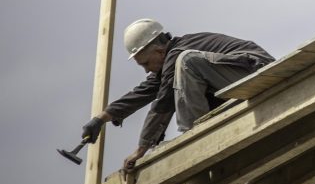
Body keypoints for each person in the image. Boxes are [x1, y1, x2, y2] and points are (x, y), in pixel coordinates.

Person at [80, 18, 274, 171]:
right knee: (183, 68)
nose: (146, 70)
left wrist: (141, 149)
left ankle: (193, 135)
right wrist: (101, 118)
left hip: (258, 72)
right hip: (240, 79)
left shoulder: (178, 54)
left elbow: (163, 102)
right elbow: (143, 91)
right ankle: (199, 131)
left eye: (146, 63)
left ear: (159, 51)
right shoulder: (170, 60)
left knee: (187, 61)